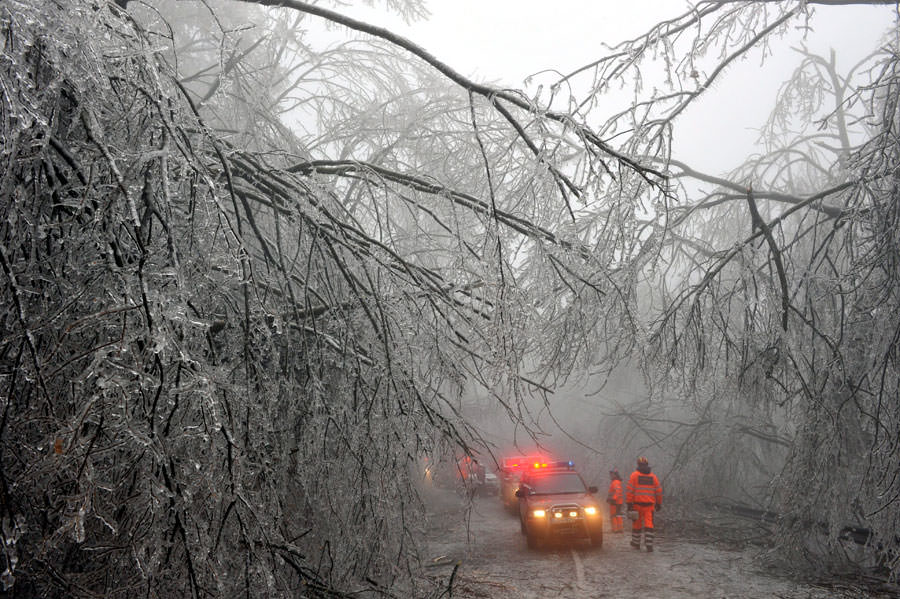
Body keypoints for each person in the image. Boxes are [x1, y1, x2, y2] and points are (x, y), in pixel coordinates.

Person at [625, 456, 663, 552]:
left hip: (637, 505)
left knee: (637, 524)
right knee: (649, 524)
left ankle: (636, 543)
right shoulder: (653, 477)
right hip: (649, 506)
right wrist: (658, 503)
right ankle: (649, 545)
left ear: (638, 464)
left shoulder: (634, 476)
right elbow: (658, 491)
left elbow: (630, 491)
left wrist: (629, 503)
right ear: (647, 465)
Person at [606, 468, 624, 533]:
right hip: (618, 502)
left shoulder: (615, 482)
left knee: (614, 516)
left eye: (611, 474)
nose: (610, 476)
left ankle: (615, 529)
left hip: (615, 502)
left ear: (615, 475)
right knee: (618, 515)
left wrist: (613, 499)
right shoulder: (616, 482)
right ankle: (620, 529)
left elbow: (617, 492)